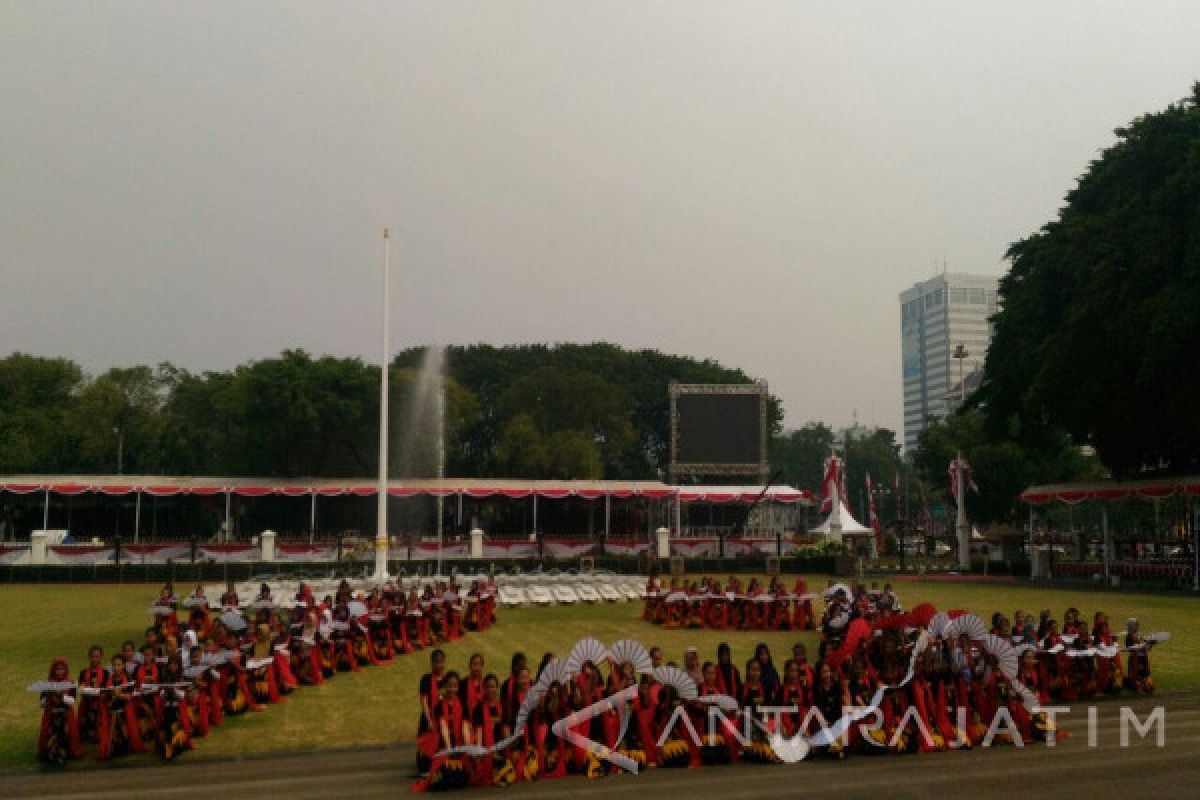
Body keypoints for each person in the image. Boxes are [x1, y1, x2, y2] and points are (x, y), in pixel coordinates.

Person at [36, 658, 83, 764]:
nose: (59, 672)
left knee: (65, 737)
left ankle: (63, 754)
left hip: (65, 716)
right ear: (53, 670)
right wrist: (47, 698)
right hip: (52, 716)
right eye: (57, 669)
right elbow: (41, 703)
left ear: (66, 670)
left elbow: (72, 701)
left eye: (62, 669)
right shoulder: (47, 685)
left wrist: (60, 695)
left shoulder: (71, 683)